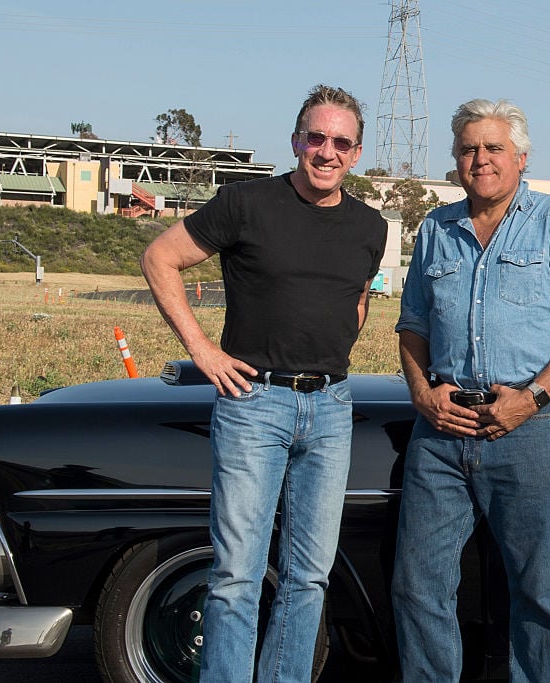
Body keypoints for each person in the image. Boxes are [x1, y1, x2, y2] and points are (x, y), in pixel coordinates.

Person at [140, 84, 387, 682]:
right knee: (236, 575)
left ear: (356, 154)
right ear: (297, 140)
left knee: (309, 576)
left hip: (329, 408)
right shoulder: (246, 204)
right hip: (254, 404)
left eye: (341, 143)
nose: (327, 152)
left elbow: (355, 303)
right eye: (316, 138)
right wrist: (202, 351)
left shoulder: (371, 228)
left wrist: (326, 356)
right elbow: (159, 257)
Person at [391, 98, 550, 682]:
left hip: (530, 429)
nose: (480, 159)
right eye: (468, 149)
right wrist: (421, 391)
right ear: (456, 160)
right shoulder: (436, 229)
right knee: (418, 587)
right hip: (441, 431)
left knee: (540, 591)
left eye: (493, 148)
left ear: (520, 158)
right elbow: (411, 323)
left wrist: (532, 398)